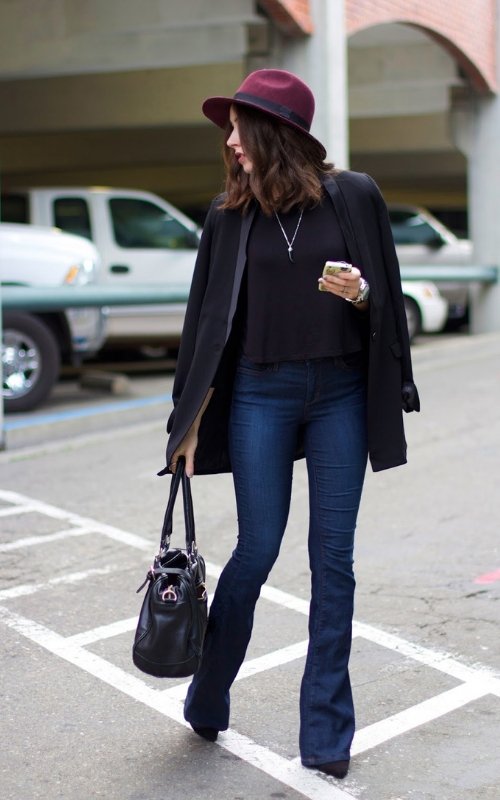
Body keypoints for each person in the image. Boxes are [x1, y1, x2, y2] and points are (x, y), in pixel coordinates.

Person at [159, 69, 420, 780]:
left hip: (340, 394)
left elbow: (387, 294)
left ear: (276, 134)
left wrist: (360, 293)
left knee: (333, 561)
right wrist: (186, 422)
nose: (230, 141)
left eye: (239, 128)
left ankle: (327, 731)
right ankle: (208, 690)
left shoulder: (355, 196)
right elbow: (204, 325)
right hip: (261, 394)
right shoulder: (227, 217)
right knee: (257, 549)